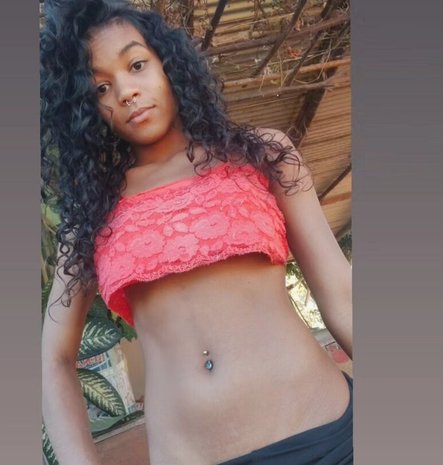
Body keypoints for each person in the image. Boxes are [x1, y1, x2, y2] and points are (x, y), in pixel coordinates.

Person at [40, 1, 353, 464]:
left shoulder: (262, 155)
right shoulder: (91, 216)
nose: (126, 91)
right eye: (101, 87)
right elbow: (54, 358)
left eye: (136, 64)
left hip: (326, 436)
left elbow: (341, 294)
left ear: (168, 63)